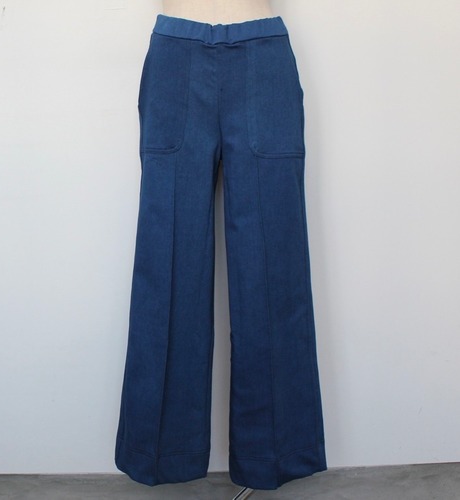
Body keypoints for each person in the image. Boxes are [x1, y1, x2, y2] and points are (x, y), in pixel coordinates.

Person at [115, 0, 328, 490]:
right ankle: (162, 453)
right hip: (175, 56)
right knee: (166, 262)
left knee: (273, 265)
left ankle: (273, 455)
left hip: (264, 55)